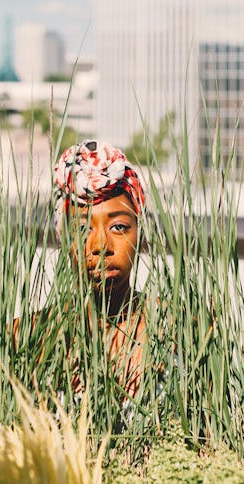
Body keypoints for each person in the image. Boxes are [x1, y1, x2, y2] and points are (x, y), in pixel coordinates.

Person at [51, 138, 148, 397]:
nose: (100, 245)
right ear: (63, 237)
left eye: (118, 227)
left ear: (140, 234)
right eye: (83, 229)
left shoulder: (177, 332)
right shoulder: (29, 338)